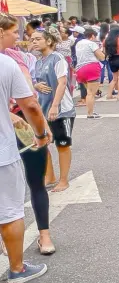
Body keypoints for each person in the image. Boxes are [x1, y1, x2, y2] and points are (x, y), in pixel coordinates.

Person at [0, 13, 55, 262]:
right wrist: (41, 130)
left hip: (23, 122)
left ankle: (44, 234)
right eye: (14, 32)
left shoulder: (22, 58)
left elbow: (31, 93)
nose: (20, 37)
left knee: (36, 181)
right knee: (19, 192)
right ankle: (16, 260)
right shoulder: (9, 62)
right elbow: (30, 103)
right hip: (22, 123)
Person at [32, 27, 75, 194]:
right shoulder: (38, 61)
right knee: (44, 143)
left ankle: (64, 180)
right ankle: (49, 176)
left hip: (61, 110)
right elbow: (35, 82)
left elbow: (62, 83)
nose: (33, 42)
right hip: (43, 110)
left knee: (62, 144)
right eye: (32, 39)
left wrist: (55, 105)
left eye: (37, 39)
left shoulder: (57, 58)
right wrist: (36, 85)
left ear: (49, 41)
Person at [74, 27, 105, 119]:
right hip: (91, 68)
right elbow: (101, 57)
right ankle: (90, 113)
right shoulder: (92, 44)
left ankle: (91, 111)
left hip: (80, 68)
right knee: (91, 93)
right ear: (92, 36)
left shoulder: (78, 43)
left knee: (88, 92)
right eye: (95, 37)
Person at [104, 25, 119, 101]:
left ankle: (109, 95)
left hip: (111, 59)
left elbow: (104, 52)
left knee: (114, 79)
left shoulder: (106, 41)